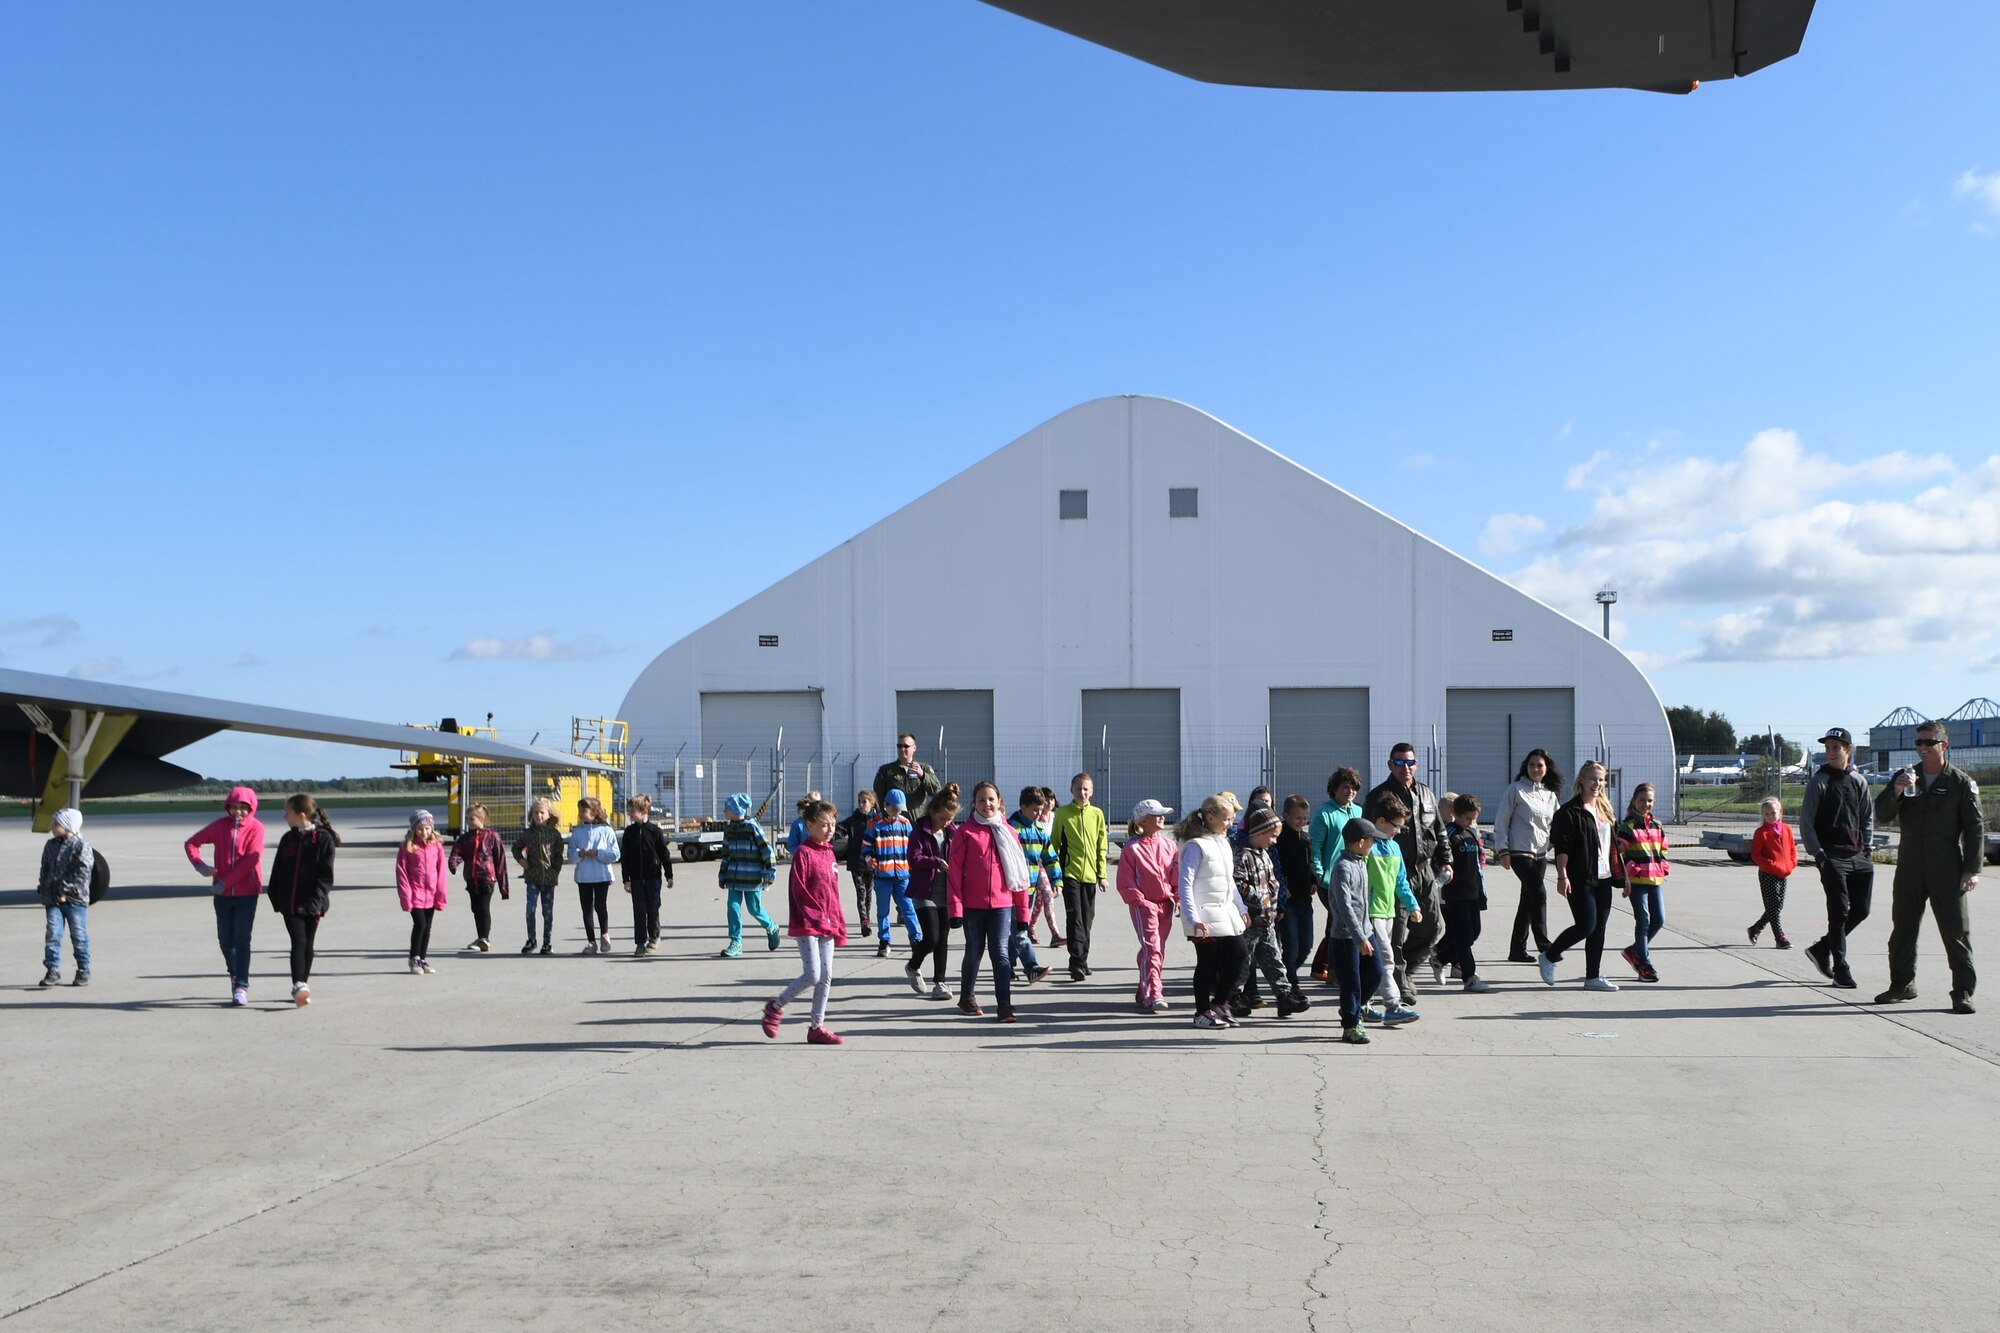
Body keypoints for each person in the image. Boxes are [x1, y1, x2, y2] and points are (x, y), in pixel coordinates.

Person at [1874, 720, 1985, 1013]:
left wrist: (1972, 869)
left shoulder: (1961, 783)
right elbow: (1882, 814)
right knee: (1903, 930)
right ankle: (1902, 984)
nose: (1922, 747)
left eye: (1928, 742)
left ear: (1943, 745)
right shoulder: (1906, 776)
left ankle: (1962, 991)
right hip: (1910, 866)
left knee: (1956, 932)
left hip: (1946, 867)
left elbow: (1975, 828)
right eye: (1918, 742)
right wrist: (1897, 792)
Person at [1367, 745, 1451, 1004]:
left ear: (1417, 764)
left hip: (1424, 870)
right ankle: (1399, 984)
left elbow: (1439, 830)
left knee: (1434, 926)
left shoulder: (1425, 793)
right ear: (1390, 764)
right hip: (1393, 871)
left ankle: (1407, 970)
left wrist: (1446, 860)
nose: (1406, 767)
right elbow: (1366, 834)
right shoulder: (1379, 796)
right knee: (1397, 932)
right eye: (1400, 762)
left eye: (1411, 762)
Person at [760, 798, 848, 1045]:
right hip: (808, 923)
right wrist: (816, 916)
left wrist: (838, 921)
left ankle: (816, 1027)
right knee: (813, 974)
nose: (830, 830)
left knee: (827, 974)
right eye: (824, 825)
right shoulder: (804, 854)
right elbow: (799, 891)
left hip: (828, 924)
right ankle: (775, 1006)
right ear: (809, 825)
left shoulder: (829, 853)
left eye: (832, 824)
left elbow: (833, 891)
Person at [946, 780, 1030, 1022]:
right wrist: (955, 909)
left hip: (1002, 906)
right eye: (981, 800)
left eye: (991, 799)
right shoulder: (965, 833)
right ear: (974, 803)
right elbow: (954, 874)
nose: (987, 804)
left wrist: (1023, 914)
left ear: (999, 802)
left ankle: (1004, 1005)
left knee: (1001, 954)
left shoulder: (1008, 831)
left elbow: (1020, 875)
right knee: (974, 951)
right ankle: (967, 996)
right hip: (973, 906)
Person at [1800, 727, 1872, 991]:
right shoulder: (1818, 781)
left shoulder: (1858, 781)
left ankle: (1821, 948)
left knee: (1862, 910)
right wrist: (1818, 855)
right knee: (1839, 913)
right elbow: (1806, 822)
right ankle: (1840, 967)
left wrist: (1868, 847)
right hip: (1831, 857)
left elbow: (1866, 816)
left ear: (1848, 750)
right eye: (1827, 747)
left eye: (1836, 748)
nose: (1830, 752)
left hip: (1859, 856)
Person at [184, 785, 267, 1007]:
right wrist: (200, 865)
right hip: (222, 896)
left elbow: (251, 860)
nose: (238, 812)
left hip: (246, 893)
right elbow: (191, 843)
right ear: (227, 807)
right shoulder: (220, 826)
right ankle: (233, 972)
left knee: (242, 939)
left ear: (251, 808)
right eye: (234, 807)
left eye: (243, 808)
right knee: (224, 939)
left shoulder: (257, 828)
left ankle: (241, 985)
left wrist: (225, 882)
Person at [1540, 761, 1619, 992]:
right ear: (1582, 780)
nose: (1597, 784)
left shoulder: (1605, 810)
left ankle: (1592, 977)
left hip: (1603, 876)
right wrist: (1562, 876)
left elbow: (1611, 845)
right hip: (1580, 875)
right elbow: (1562, 847)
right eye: (1593, 779)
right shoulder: (1569, 812)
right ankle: (1550, 955)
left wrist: (1622, 877)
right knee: (1586, 925)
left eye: (1601, 779)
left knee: (1599, 928)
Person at [1177, 795, 1248, 1030]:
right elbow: (1185, 883)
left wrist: (1241, 908)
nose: (1230, 824)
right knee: (1206, 963)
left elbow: (1228, 882)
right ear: (1210, 817)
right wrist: (1192, 917)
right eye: (1226, 819)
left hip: (1224, 912)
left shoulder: (1222, 842)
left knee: (1239, 954)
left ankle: (1219, 1004)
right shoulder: (1196, 846)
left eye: (1232, 819)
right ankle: (1201, 1012)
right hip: (1203, 916)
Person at [266, 794, 338, 1007]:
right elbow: (277, 870)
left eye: (286, 813)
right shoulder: (288, 839)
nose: (284, 817)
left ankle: (302, 984)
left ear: (301, 815)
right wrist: (275, 896)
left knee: (308, 944)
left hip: (313, 903)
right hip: (290, 902)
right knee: (298, 942)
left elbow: (326, 876)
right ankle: (299, 984)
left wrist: (316, 902)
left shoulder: (323, 839)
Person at [1231, 806, 1301, 1018]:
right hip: (1250, 921)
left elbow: (1273, 882)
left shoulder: (1265, 856)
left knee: (1273, 958)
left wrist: (1274, 903)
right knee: (1242, 961)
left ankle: (1284, 996)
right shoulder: (1242, 856)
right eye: (1272, 836)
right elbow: (1238, 884)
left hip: (1266, 920)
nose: (1274, 841)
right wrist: (1258, 898)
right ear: (1260, 833)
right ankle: (1231, 996)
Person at [1494, 749, 1562, 963]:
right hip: (1519, 851)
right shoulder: (1515, 790)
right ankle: (1544, 944)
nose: (1535, 769)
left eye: (1539, 765)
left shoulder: (1550, 795)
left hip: (1541, 854)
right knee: (1539, 894)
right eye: (1531, 765)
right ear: (1526, 766)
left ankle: (1517, 950)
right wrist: (1502, 849)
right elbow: (1502, 820)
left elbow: (1557, 825)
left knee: (1528, 900)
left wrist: (1556, 845)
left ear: (1546, 768)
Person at [1361, 798, 1422, 1026]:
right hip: (1371, 913)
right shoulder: (1367, 846)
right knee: (1386, 959)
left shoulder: (1394, 847)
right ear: (1381, 821)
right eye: (1395, 825)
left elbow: (1401, 881)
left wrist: (1413, 905)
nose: (1398, 831)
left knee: (1371, 962)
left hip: (1388, 912)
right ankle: (1392, 1005)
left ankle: (1362, 1004)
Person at [1325, 817, 1385, 1044]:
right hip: (1345, 937)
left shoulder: (1360, 861)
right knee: (1351, 982)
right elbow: (1343, 906)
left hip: (1364, 931)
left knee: (1376, 972)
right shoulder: (1343, 867)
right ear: (1360, 842)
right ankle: (1350, 1026)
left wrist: (1366, 931)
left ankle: (1357, 1007)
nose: (1373, 845)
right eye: (1371, 840)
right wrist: (1359, 937)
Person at [1116, 798, 1178, 1013]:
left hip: (1165, 904)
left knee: (1156, 949)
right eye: (1157, 814)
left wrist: (1177, 897)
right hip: (1144, 906)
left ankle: (1145, 988)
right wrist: (1140, 901)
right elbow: (1125, 882)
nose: (1162, 818)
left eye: (1163, 814)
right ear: (1143, 820)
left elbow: (1176, 874)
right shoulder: (1132, 849)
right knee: (1153, 948)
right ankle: (1154, 993)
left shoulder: (1169, 845)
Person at [1307, 767, 1366, 981]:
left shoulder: (1358, 812)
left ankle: (1325, 968)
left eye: (1353, 788)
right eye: (1345, 788)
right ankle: (1333, 971)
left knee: (1339, 923)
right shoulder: (1324, 814)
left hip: (1355, 877)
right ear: (1334, 789)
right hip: (1330, 881)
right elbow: (1314, 849)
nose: (1350, 792)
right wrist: (1321, 876)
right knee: (1339, 924)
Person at [1051, 772, 1109, 982]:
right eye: (1078, 789)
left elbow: (1101, 845)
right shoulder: (1063, 814)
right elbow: (1054, 844)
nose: (1082, 792)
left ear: (1092, 791)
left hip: (1091, 875)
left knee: (1087, 919)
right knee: (1075, 918)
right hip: (1070, 874)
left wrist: (1101, 874)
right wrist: (1055, 875)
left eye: (1086, 789)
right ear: (1071, 790)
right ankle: (1076, 962)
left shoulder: (1097, 814)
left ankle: (1083, 961)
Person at [905, 784, 961, 999]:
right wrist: (936, 862)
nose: (946, 823)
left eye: (950, 819)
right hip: (925, 891)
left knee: (943, 940)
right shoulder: (920, 830)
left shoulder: (953, 832)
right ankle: (913, 966)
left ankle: (940, 982)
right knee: (931, 938)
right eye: (942, 819)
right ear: (932, 812)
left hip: (946, 891)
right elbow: (914, 858)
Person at [1614, 782, 1670, 982]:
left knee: (1659, 920)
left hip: (1655, 880)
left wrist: (1663, 864)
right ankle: (1644, 963)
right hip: (1637, 881)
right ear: (1634, 801)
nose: (1646, 804)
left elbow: (1663, 848)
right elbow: (1619, 852)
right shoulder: (1627, 826)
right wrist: (1629, 871)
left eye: (1650, 800)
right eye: (1642, 800)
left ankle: (1634, 950)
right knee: (1643, 920)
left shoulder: (1657, 825)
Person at [717, 792, 780, 959]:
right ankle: (736, 942)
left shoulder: (752, 827)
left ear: (735, 809)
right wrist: (723, 874)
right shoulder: (729, 829)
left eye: (726, 808)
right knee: (733, 908)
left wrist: (769, 873)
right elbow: (726, 853)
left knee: (754, 908)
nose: (724, 811)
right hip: (733, 878)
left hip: (752, 878)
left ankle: (772, 927)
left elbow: (768, 851)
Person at [36, 807, 93, 988]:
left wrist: (64, 891)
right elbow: (45, 869)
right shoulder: (50, 845)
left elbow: (82, 872)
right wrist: (44, 888)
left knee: (79, 935)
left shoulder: (81, 846)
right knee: (53, 935)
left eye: (57, 823)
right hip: (52, 900)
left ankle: (83, 969)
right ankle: (52, 970)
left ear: (68, 825)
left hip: (75, 900)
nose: (53, 826)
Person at [1007, 788, 1059, 985]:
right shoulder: (1012, 829)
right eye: (1035, 810)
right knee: (1020, 930)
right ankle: (1031, 967)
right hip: (1011, 889)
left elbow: (1050, 857)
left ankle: (1008, 965)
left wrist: (1056, 880)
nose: (1039, 814)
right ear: (1023, 807)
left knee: (1016, 928)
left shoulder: (1039, 831)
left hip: (1028, 890)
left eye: (1041, 810)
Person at [1442, 794, 1492, 993]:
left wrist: (1481, 891)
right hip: (1456, 894)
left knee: (1474, 932)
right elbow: (1441, 859)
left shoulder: (1471, 834)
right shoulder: (1450, 834)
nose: (1471, 822)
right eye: (1467, 819)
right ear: (1455, 814)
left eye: (1474, 819)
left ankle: (1440, 958)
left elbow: (1477, 866)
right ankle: (1469, 977)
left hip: (1473, 893)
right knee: (1463, 936)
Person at [1272, 795, 1317, 1010]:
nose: (1301, 822)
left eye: (1305, 818)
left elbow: (1308, 864)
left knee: (1306, 945)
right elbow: (1275, 865)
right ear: (1286, 816)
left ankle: (1286, 974)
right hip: (1287, 901)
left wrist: (1314, 880)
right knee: (1291, 946)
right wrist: (1282, 887)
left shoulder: (1306, 839)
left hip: (1304, 900)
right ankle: (1292, 985)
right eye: (1297, 818)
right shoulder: (1279, 839)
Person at [864, 788, 920, 959]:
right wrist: (873, 862)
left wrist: (913, 864)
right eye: (894, 809)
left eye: (899, 809)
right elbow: (865, 847)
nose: (897, 812)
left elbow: (913, 847)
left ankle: (916, 940)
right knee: (883, 911)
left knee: (908, 908)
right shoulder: (875, 824)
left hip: (903, 876)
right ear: (885, 805)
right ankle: (884, 941)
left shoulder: (905, 823)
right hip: (882, 877)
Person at [449, 803, 511, 953]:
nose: (469, 821)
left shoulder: (492, 837)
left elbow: (500, 861)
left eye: (472, 819)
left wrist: (504, 888)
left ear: (482, 819)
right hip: (471, 878)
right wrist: (453, 863)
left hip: (487, 878)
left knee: (483, 907)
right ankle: (480, 937)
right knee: (476, 908)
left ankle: (484, 937)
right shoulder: (465, 839)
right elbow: (457, 852)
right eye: (468, 819)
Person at [621, 795, 675, 955]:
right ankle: (639, 943)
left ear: (644, 811)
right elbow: (626, 858)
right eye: (629, 811)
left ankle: (654, 937)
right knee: (639, 910)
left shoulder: (655, 831)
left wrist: (669, 875)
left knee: (653, 908)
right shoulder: (629, 832)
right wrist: (626, 879)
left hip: (653, 878)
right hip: (636, 879)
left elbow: (664, 854)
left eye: (632, 811)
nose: (629, 814)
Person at [567, 796, 622, 955]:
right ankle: (591, 941)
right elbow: (571, 855)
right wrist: (580, 854)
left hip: (601, 876)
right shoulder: (577, 832)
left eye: (584, 811)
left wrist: (598, 853)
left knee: (600, 905)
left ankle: (604, 934)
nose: (581, 814)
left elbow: (615, 854)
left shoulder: (606, 830)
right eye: (580, 811)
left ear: (594, 811)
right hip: (583, 877)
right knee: (586, 909)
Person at [396, 810, 449, 975]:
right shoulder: (408, 848)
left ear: (431, 828)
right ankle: (414, 958)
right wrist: (406, 897)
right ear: (413, 829)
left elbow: (441, 873)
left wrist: (441, 895)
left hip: (431, 895)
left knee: (427, 928)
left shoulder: (436, 846)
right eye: (420, 829)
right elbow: (401, 873)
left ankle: (423, 958)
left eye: (427, 829)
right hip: (415, 895)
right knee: (420, 925)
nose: (424, 832)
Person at [513, 797, 565, 955]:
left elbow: (558, 855)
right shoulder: (528, 834)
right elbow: (516, 848)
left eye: (542, 813)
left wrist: (555, 871)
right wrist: (522, 861)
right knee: (530, 909)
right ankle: (531, 940)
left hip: (548, 879)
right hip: (532, 878)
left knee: (547, 911)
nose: (539, 816)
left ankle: (547, 942)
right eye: (536, 813)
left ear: (549, 814)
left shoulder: (554, 834)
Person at [1746, 796, 1797, 952]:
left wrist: (1791, 863)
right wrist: (1772, 866)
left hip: (1783, 873)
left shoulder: (1787, 829)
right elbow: (1756, 855)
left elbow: (1792, 849)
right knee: (1773, 906)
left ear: (1780, 812)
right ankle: (1780, 937)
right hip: (1768, 873)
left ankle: (1756, 928)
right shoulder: (1761, 833)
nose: (1770, 817)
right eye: (1766, 814)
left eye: (1773, 813)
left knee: (1776, 907)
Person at [872, 733, 943, 818]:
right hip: (894, 824)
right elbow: (878, 796)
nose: (902, 749)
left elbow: (936, 791)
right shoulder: (886, 771)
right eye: (899, 746)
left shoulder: (924, 768)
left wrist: (923, 775)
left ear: (914, 748)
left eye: (906, 746)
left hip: (917, 823)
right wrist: (884, 814)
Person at [839, 790, 878, 940]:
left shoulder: (877, 820)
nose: (861, 805)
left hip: (872, 862)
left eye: (864, 802)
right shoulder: (852, 821)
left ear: (872, 803)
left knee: (869, 892)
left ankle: (867, 916)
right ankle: (864, 921)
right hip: (857, 862)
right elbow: (839, 830)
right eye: (859, 801)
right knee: (861, 892)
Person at [1031, 786, 1064, 946]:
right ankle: (1055, 934)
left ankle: (1030, 927)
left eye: (1051, 799)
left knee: (1041, 900)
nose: (1049, 802)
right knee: (1048, 896)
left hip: (1052, 862)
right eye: (1046, 799)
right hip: (1038, 864)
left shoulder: (1056, 817)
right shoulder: (1036, 820)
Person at [785, 791, 823, 855]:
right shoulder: (798, 824)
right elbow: (792, 845)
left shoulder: (822, 823)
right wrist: (802, 855)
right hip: (804, 860)